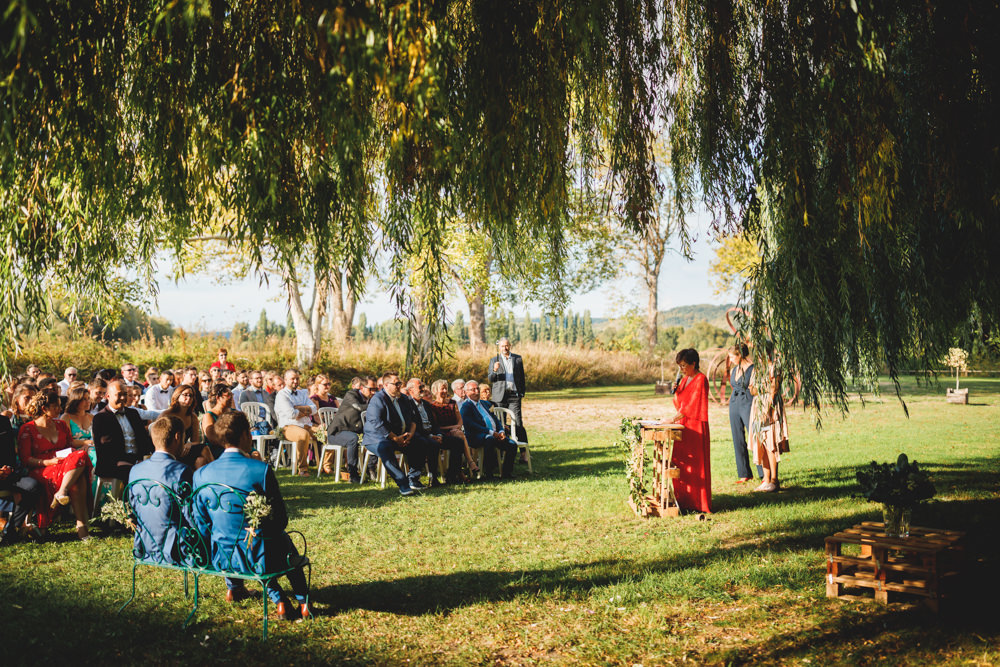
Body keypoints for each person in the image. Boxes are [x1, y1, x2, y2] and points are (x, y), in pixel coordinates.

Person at [192, 411, 311, 620]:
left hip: (221, 555)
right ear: (246, 435)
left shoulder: (201, 473)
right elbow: (281, 519)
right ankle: (303, 603)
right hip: (260, 554)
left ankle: (237, 588)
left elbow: (201, 520)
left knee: (240, 539)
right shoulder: (260, 470)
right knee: (282, 542)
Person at [18, 391, 92, 539]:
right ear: (44, 408)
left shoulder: (61, 424)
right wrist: (47, 462)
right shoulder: (27, 429)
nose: (60, 409)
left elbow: (70, 445)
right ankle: (82, 527)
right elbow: (26, 459)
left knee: (81, 455)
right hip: (42, 468)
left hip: (64, 464)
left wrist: (83, 446)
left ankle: (62, 492)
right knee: (77, 480)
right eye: (56, 406)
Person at [127, 416, 194, 564]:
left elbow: (134, 510)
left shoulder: (135, 470)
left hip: (144, 547)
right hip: (176, 551)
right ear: (178, 436)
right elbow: (190, 514)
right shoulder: (181, 471)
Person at [663, 348, 711, 514]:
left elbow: (692, 406)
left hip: (695, 425)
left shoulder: (701, 379)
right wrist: (676, 392)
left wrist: (673, 419)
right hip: (683, 424)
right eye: (680, 366)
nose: (681, 369)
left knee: (696, 464)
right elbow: (680, 404)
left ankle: (699, 503)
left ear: (693, 363)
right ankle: (682, 500)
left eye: (684, 366)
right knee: (681, 462)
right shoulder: (684, 380)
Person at [363, 372, 421, 495]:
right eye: (396, 384)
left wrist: (410, 434)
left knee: (421, 442)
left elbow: (413, 418)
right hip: (377, 438)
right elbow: (376, 422)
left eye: (400, 383)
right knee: (385, 448)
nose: (399, 386)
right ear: (386, 385)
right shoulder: (378, 399)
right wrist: (394, 438)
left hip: (401, 436)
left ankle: (414, 479)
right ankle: (403, 484)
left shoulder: (404, 398)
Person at [93, 381, 155, 484]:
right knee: (135, 472)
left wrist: (144, 458)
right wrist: (132, 462)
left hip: (138, 459)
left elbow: (143, 439)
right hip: (114, 462)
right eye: (119, 394)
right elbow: (105, 449)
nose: (122, 398)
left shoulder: (133, 413)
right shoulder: (100, 418)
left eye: (125, 394)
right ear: (108, 396)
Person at [749, 342, 789, 493]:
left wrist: (768, 410)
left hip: (769, 406)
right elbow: (752, 390)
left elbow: (774, 389)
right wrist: (762, 387)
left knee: (770, 442)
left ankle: (774, 479)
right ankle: (765, 479)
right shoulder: (758, 370)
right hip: (757, 406)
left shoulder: (775, 367)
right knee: (760, 441)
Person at [404, 378, 460, 486]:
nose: (422, 390)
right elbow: (412, 425)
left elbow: (434, 424)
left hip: (433, 434)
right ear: (410, 390)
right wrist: (430, 436)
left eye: (423, 387)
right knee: (432, 444)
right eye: (419, 387)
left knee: (457, 442)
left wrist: (438, 434)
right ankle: (433, 478)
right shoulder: (407, 404)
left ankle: (451, 476)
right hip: (420, 435)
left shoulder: (426, 404)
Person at [0, 412, 43, 545]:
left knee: (32, 486)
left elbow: (9, 452)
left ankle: (12, 529)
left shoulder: (3, 421)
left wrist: (8, 469)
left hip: (7, 474)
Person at [460, 380, 516, 480]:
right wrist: (491, 432)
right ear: (466, 392)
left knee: (512, 444)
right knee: (490, 439)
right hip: (476, 436)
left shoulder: (485, 404)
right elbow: (471, 425)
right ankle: (488, 473)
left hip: (495, 434)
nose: (476, 391)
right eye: (473, 390)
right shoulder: (466, 406)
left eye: (477, 389)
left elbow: (496, 419)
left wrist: (501, 431)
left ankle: (506, 473)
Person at [487, 337, 529, 461]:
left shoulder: (517, 359)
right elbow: (491, 379)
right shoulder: (494, 360)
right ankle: (502, 452)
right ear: (498, 347)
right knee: (500, 423)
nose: (504, 348)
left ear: (510, 346)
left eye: (506, 346)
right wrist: (494, 370)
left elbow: (521, 377)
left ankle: (523, 453)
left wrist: (522, 393)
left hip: (514, 395)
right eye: (502, 346)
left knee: (518, 422)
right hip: (499, 396)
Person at [427, 379, 478, 479]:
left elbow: (460, 420)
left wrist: (457, 427)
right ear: (435, 391)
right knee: (458, 436)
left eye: (446, 388)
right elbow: (436, 426)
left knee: (458, 436)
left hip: (456, 431)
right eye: (442, 389)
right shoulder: (432, 406)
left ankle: (457, 472)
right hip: (441, 433)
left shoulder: (452, 403)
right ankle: (468, 463)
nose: (445, 391)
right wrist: (452, 428)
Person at [273, 370, 321, 476]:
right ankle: (303, 469)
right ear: (285, 380)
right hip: (288, 427)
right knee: (303, 435)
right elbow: (292, 414)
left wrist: (298, 408)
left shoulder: (303, 392)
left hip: (307, 425)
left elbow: (314, 409)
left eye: (297, 378)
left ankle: (325, 466)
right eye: (292, 379)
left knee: (327, 434)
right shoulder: (282, 395)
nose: (295, 381)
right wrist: (306, 411)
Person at [326, 377, 373, 483]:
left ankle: (371, 470)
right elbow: (359, 408)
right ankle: (353, 475)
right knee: (353, 439)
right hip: (337, 433)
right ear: (362, 388)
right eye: (371, 389)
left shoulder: (370, 398)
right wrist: (376, 405)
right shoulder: (351, 395)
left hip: (354, 431)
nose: (373, 392)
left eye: (375, 389)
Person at [727, 343, 761, 483]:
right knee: (737, 438)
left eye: (732, 357)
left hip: (748, 403)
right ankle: (744, 473)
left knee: (754, 436)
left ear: (740, 355)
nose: (730, 360)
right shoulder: (734, 370)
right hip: (734, 404)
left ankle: (763, 473)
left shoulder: (753, 369)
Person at [161, 384, 214, 469]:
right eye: (185, 395)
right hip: (170, 451)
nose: (188, 398)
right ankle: (217, 471)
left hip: (185, 450)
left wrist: (189, 444)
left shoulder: (192, 417)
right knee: (205, 448)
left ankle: (202, 481)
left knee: (201, 460)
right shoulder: (167, 414)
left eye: (191, 396)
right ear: (177, 396)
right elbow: (160, 438)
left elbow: (196, 441)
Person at [201, 383, 235, 459]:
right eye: (228, 395)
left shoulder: (233, 413)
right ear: (218, 398)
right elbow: (212, 439)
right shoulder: (209, 416)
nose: (231, 397)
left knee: (255, 454)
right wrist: (231, 446)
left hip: (235, 446)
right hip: (217, 448)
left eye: (232, 394)